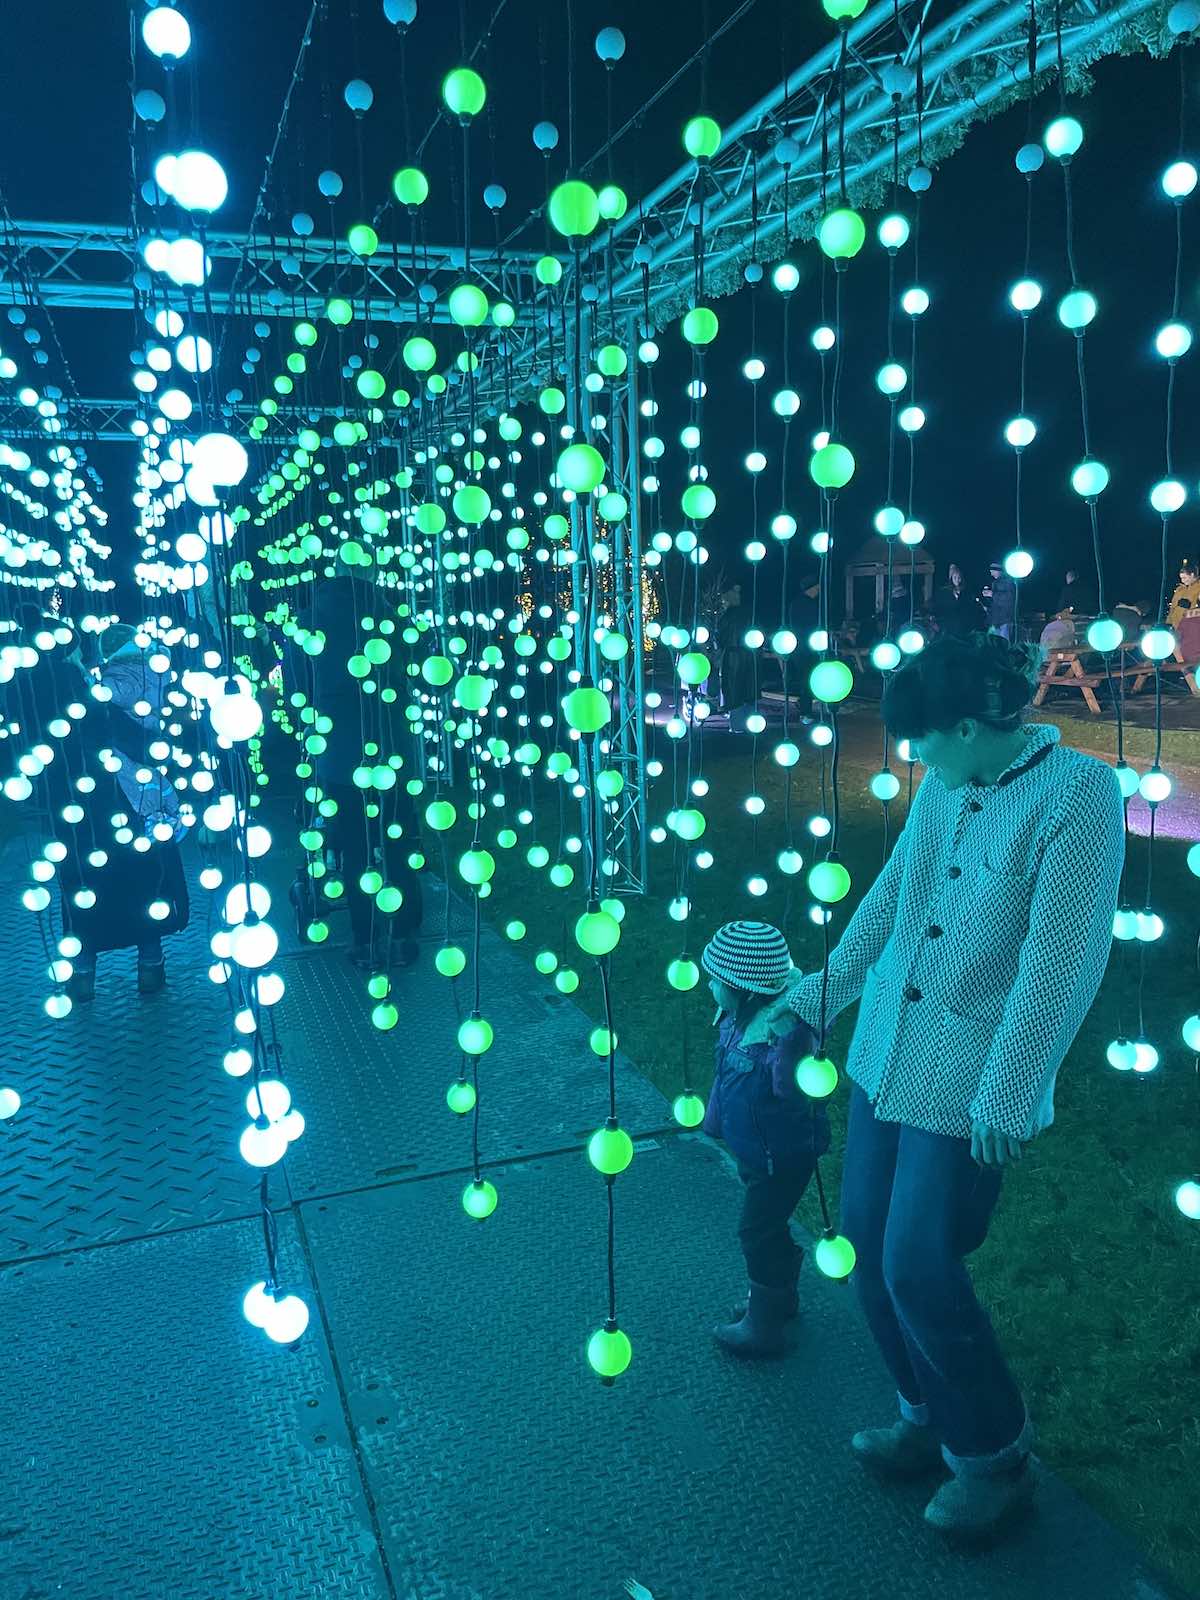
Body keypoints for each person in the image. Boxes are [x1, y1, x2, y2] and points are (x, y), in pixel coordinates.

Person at [761, 632, 1125, 1540]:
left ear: (969, 725)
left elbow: (1060, 959)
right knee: (872, 1255)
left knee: (917, 1263)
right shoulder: (948, 784)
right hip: (889, 1054)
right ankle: (927, 1417)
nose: (914, 756)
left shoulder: (1078, 796)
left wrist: (1012, 1087)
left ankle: (995, 1457)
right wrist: (819, 998)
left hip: (969, 1076)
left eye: (925, 739)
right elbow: (892, 898)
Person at [700, 921, 826, 1358]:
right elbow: (724, 1075)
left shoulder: (781, 1034)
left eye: (718, 981)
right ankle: (778, 1298)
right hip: (756, 1151)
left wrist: (788, 1047)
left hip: (783, 1155)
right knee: (767, 1228)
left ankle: (764, 1327)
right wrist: (715, 1124)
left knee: (755, 1232)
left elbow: (792, 1095)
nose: (711, 986)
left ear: (746, 988)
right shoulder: (738, 1019)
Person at [302, 575, 423, 971]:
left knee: (354, 853)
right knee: (397, 846)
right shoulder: (389, 619)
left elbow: (297, 686)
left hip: (340, 760)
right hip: (391, 756)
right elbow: (417, 665)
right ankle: (404, 937)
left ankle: (366, 941)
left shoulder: (309, 625)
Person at [715, 582, 754, 718]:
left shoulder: (728, 615)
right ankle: (745, 710)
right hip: (747, 652)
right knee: (746, 683)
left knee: (732, 683)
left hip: (732, 652)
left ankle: (733, 710)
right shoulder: (748, 613)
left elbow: (720, 634)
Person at [931, 563, 981, 639]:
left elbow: (971, 609)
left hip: (963, 627)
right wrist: (935, 621)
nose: (957, 580)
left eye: (959, 577)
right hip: (948, 626)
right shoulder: (943, 592)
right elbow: (938, 607)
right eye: (955, 577)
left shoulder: (966, 592)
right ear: (951, 578)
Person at [980, 561, 1017, 640]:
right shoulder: (995, 583)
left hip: (1004, 621)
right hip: (995, 622)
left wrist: (992, 594)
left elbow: (1009, 599)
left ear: (998, 570)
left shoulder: (1007, 582)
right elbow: (996, 604)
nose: (990, 572)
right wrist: (988, 608)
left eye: (992, 570)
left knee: (1003, 644)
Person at [1166, 557, 1200, 627]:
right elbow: (1172, 608)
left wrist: (1190, 608)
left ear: (1192, 575)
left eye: (1184, 578)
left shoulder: (1198, 588)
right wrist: (1168, 623)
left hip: (1191, 626)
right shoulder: (1179, 589)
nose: (1182, 581)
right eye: (1181, 578)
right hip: (1176, 626)